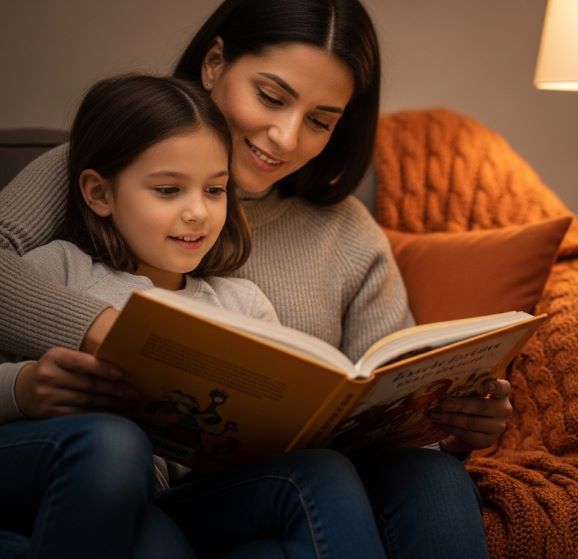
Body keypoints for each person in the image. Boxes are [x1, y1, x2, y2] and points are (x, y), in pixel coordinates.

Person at [0, 0, 509, 556]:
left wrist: (445, 424)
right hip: (153, 476)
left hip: (263, 479)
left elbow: (385, 390)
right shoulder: (109, 161)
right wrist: (96, 329)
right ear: (215, 63)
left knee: (429, 477)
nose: (285, 138)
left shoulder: (341, 236)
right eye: (271, 97)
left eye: (319, 120)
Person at [1, 72, 398, 558]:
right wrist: (21, 386)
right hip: (97, 485)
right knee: (155, 539)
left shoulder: (243, 304)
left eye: (214, 191)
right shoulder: (54, 272)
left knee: (323, 470)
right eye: (169, 191)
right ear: (99, 194)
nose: (199, 213)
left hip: (195, 496)